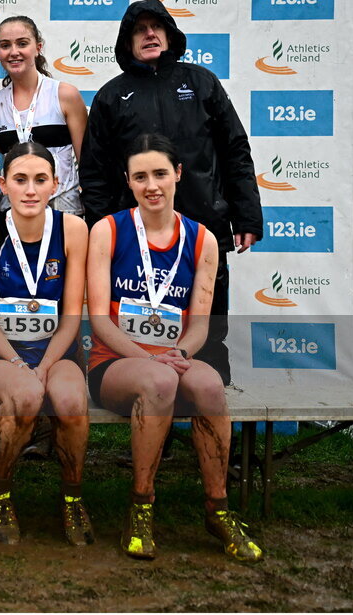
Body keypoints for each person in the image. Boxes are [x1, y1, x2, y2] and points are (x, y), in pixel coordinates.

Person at [86, 133, 263, 562]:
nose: (152, 185)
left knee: (209, 387)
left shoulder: (202, 240)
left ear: (178, 175)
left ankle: (218, 509)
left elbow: (199, 326)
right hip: (116, 361)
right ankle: (141, 506)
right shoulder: (107, 231)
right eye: (141, 176)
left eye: (160, 174)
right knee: (160, 380)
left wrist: (180, 354)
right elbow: (98, 320)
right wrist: (149, 358)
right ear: (127, 181)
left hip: (174, 358)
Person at [79, 0, 262, 384]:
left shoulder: (201, 82)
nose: (148, 34)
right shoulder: (112, 96)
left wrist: (246, 215)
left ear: (169, 34)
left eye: (156, 27)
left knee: (208, 331)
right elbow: (94, 172)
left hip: (204, 227)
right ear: (126, 42)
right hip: (135, 241)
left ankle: (208, 410)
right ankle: (152, 412)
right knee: (136, 329)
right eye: (139, 29)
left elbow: (235, 150)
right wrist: (103, 232)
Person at [0, 141, 91, 546]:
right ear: (3, 184)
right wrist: (19, 364)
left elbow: (72, 315)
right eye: (20, 180)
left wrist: (46, 364)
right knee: (24, 396)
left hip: (56, 351)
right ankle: (0, 494)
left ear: (56, 184)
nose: (30, 190)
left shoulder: (73, 228)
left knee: (71, 401)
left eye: (40, 180)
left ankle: (72, 496)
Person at [0, 17, 86, 215]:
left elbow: (88, 161)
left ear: (38, 47)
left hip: (63, 206)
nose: (14, 52)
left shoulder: (65, 95)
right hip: (13, 209)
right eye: (5, 45)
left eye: (22, 43)